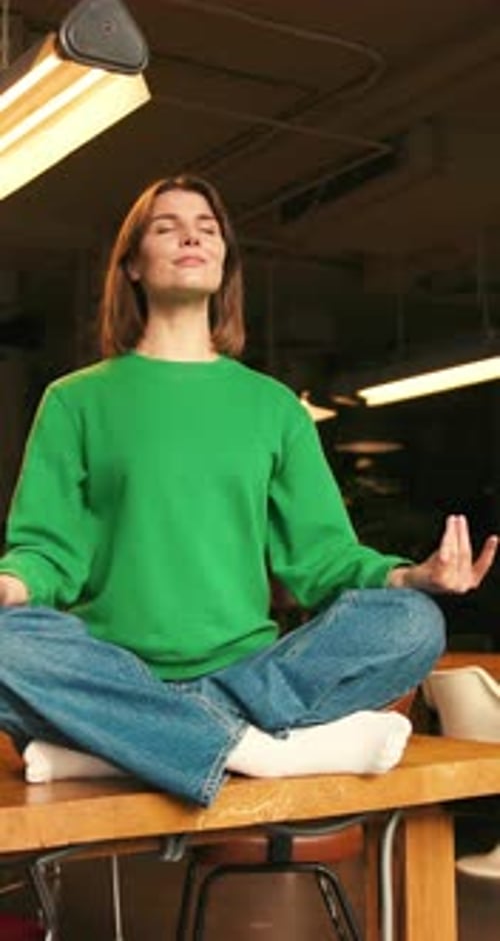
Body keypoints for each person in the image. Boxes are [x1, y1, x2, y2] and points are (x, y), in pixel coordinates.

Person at [0, 175, 496, 807]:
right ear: (130, 266)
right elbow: (48, 550)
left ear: (224, 261)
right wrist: (11, 586)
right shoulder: (74, 400)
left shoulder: (273, 407)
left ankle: (115, 744)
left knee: (413, 626)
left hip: (251, 674)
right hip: (109, 669)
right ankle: (254, 749)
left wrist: (409, 579)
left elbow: (323, 561)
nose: (191, 236)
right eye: (166, 226)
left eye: (207, 228)